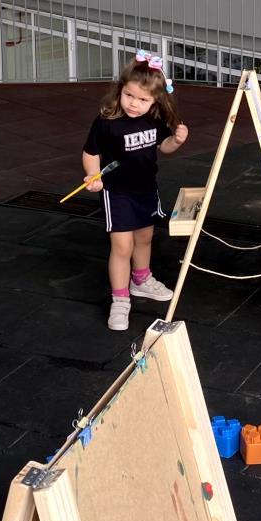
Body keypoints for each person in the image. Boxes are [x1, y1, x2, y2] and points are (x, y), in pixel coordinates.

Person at [82, 51, 189, 331]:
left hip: (146, 188)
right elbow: (90, 153)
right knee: (122, 246)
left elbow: (162, 147)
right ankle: (120, 299)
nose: (134, 104)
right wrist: (93, 175)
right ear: (121, 90)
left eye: (143, 99)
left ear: (155, 100)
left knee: (144, 238)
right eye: (129, 95)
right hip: (117, 192)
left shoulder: (154, 117)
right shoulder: (106, 121)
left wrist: (176, 142)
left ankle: (140, 280)